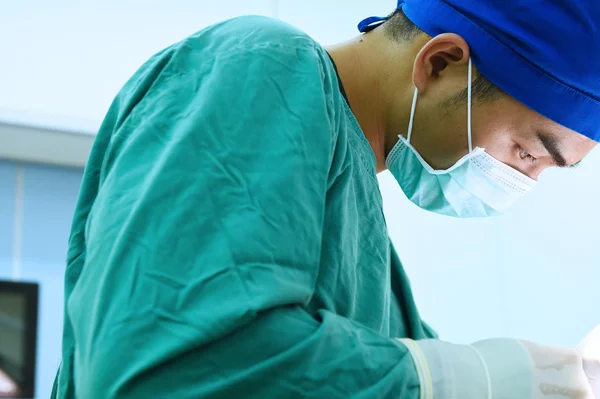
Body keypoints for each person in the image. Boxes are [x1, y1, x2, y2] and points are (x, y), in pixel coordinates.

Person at [51, 0, 600, 397]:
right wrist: (469, 377)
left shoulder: (363, 237)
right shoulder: (260, 64)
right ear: (439, 64)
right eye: (528, 153)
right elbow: (165, 367)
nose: (523, 184)